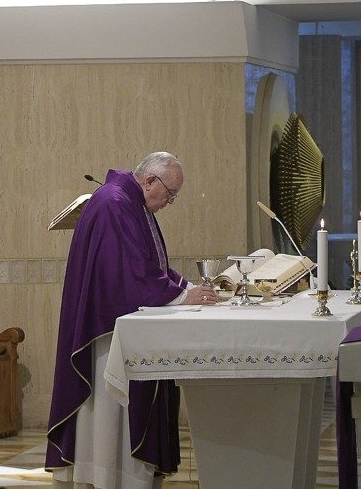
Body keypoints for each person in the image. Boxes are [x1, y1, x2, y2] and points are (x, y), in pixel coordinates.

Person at [46, 152, 218, 488]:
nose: (170, 202)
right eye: (170, 194)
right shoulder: (114, 203)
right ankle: (110, 477)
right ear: (150, 181)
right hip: (107, 335)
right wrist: (184, 296)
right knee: (109, 419)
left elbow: (148, 266)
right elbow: (128, 276)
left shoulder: (130, 202)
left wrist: (186, 288)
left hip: (118, 330)